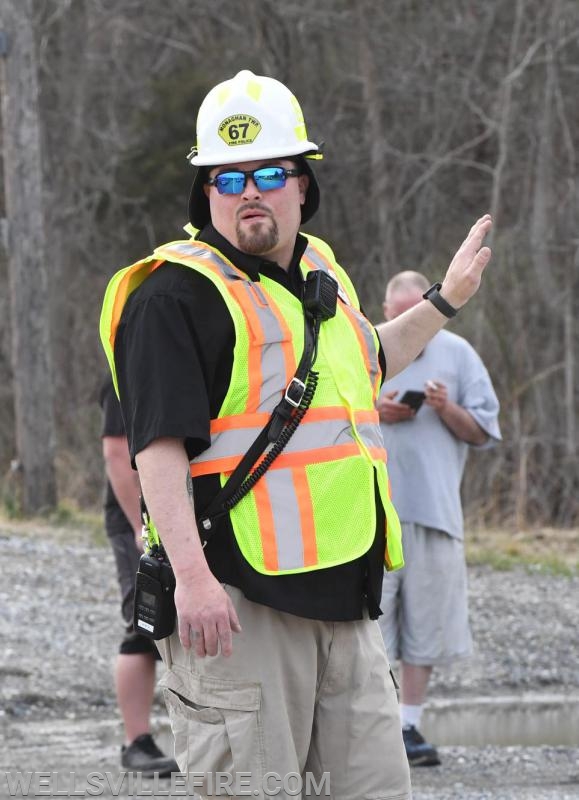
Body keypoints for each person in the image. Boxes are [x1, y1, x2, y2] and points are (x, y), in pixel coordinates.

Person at [99, 69, 492, 800]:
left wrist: (443, 302)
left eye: (270, 171)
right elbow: (155, 448)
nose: (250, 189)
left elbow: (366, 360)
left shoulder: (320, 273)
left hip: (343, 603)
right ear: (206, 190)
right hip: (238, 606)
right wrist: (191, 580)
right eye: (228, 176)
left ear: (302, 184)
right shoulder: (172, 296)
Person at [376, 270, 502, 768]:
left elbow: (484, 432)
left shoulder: (460, 354)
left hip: (434, 513)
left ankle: (408, 726)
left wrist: (445, 409)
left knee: (425, 629)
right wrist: (373, 410)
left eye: (421, 310)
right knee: (372, 630)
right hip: (372, 516)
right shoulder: (367, 351)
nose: (414, 321)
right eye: (402, 312)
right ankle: (376, 727)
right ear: (386, 312)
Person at [99, 377, 179, 776]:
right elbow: (115, 453)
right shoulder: (125, 366)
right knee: (143, 623)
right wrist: (138, 526)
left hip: (174, 509)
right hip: (139, 515)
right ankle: (137, 743)